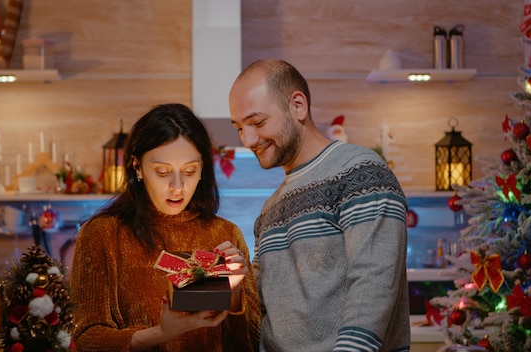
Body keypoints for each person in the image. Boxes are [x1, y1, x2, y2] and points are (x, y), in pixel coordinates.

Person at [229, 59, 411, 352]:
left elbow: (373, 287)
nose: (248, 140)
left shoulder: (359, 171)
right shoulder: (269, 209)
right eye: (239, 128)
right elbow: (261, 313)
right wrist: (235, 281)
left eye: (257, 122)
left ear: (298, 106)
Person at [70, 103, 261, 352]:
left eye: (190, 171)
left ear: (203, 168)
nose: (177, 186)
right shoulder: (102, 234)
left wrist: (233, 296)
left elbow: (254, 342)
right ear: (137, 167)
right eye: (162, 172)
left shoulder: (226, 234)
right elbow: (87, 338)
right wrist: (160, 334)